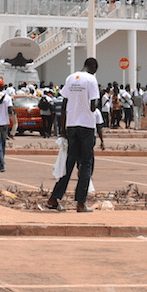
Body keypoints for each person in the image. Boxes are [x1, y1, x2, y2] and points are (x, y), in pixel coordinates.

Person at [46, 58, 100, 213]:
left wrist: (63, 129)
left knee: (68, 164)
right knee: (86, 164)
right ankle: (81, 203)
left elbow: (63, 105)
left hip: (71, 126)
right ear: (94, 68)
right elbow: (92, 106)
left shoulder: (71, 78)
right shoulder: (91, 80)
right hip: (86, 126)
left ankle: (54, 199)